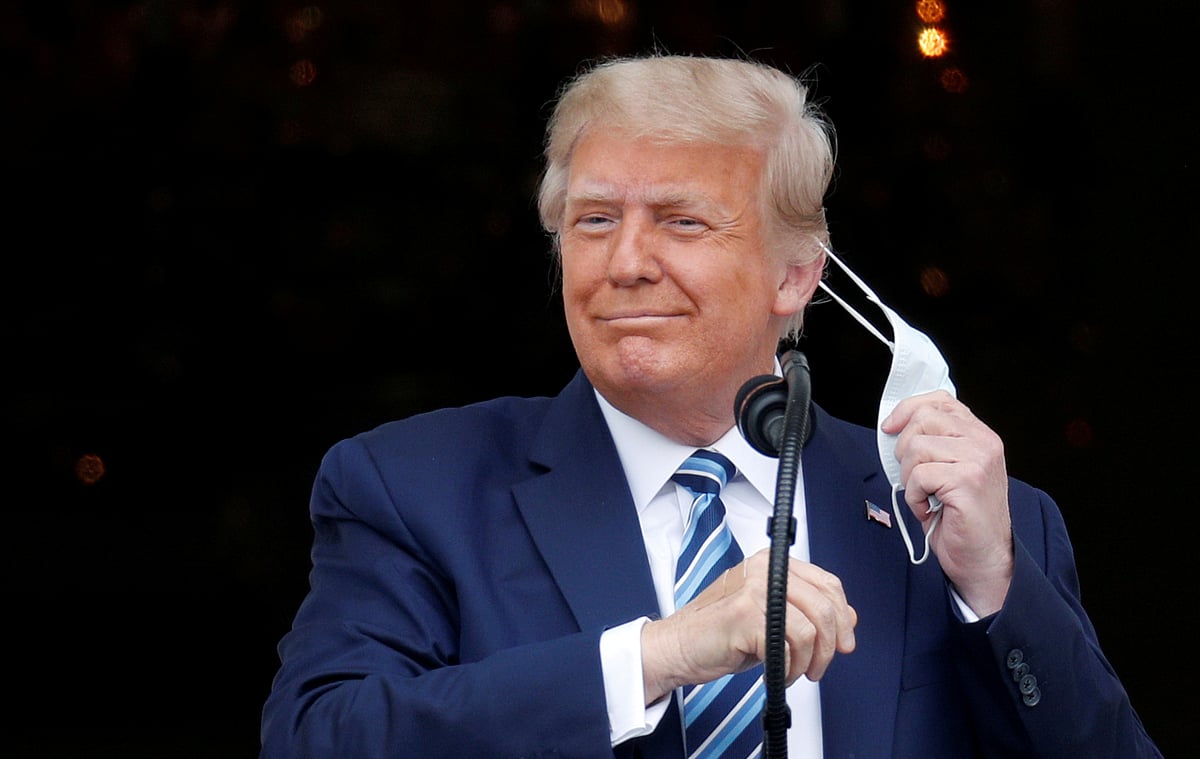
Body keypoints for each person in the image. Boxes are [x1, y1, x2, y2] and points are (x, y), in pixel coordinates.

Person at [259, 53, 1161, 758]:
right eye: (595, 220)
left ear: (795, 275)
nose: (625, 263)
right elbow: (317, 737)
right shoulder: (412, 486)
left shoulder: (961, 521)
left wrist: (994, 587)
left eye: (682, 221)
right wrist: (656, 656)